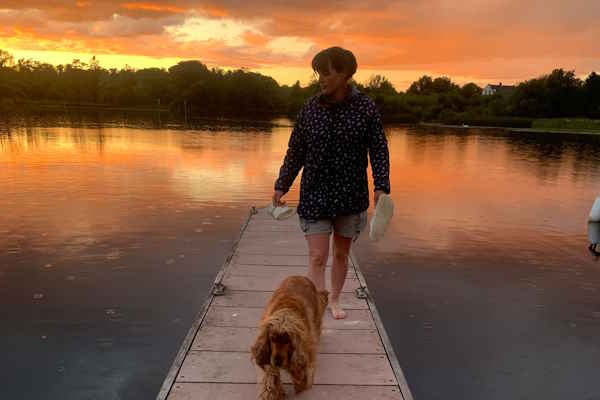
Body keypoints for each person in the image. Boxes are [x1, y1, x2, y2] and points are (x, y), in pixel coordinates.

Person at [272, 46, 391, 319]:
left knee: (340, 254)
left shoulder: (365, 108)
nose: (321, 79)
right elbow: (296, 150)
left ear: (345, 73)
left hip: (350, 195)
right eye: (318, 74)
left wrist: (381, 186)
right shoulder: (310, 109)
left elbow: (379, 149)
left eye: (326, 72)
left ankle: (335, 298)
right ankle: (316, 305)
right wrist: (282, 184)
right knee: (317, 256)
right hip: (315, 194)